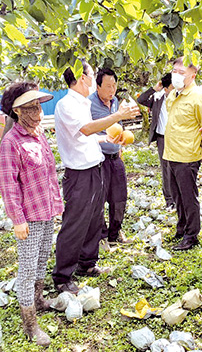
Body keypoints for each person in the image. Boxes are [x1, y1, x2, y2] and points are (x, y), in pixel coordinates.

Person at [52, 63, 139, 294]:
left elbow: (88, 137)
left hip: (95, 167)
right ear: (83, 77)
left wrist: (109, 140)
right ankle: (62, 277)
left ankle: (87, 264)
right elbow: (86, 130)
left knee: (93, 219)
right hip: (79, 174)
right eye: (91, 75)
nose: (93, 79)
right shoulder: (67, 104)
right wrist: (118, 116)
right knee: (75, 223)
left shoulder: (81, 103)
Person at [0, 82, 63, 346]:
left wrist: (56, 205)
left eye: (39, 107)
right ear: (17, 111)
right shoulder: (11, 143)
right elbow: (8, 184)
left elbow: (49, 174)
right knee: (27, 268)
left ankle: (39, 300)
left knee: (42, 259)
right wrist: (17, 219)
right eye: (31, 108)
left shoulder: (38, 135)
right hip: (29, 216)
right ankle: (29, 323)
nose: (38, 113)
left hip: (46, 211)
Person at [164, 57, 202, 251]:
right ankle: (182, 227)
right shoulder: (173, 95)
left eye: (182, 72)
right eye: (175, 71)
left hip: (188, 156)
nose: (176, 75)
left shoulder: (199, 97)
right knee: (176, 195)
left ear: (193, 75)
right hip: (171, 154)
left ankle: (192, 235)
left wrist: (200, 152)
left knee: (188, 196)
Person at [88, 68, 131, 244]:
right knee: (99, 198)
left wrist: (121, 144)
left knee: (119, 196)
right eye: (108, 86)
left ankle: (115, 233)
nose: (112, 90)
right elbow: (86, 131)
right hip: (99, 158)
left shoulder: (114, 102)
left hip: (115, 156)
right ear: (97, 86)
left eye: (114, 86)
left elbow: (117, 124)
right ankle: (102, 236)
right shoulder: (89, 104)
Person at [137, 73, 174, 208]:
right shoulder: (158, 98)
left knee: (177, 167)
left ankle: (178, 198)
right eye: (172, 87)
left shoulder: (180, 99)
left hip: (177, 138)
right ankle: (169, 200)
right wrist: (154, 89)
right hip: (162, 137)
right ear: (166, 89)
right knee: (166, 168)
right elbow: (141, 99)